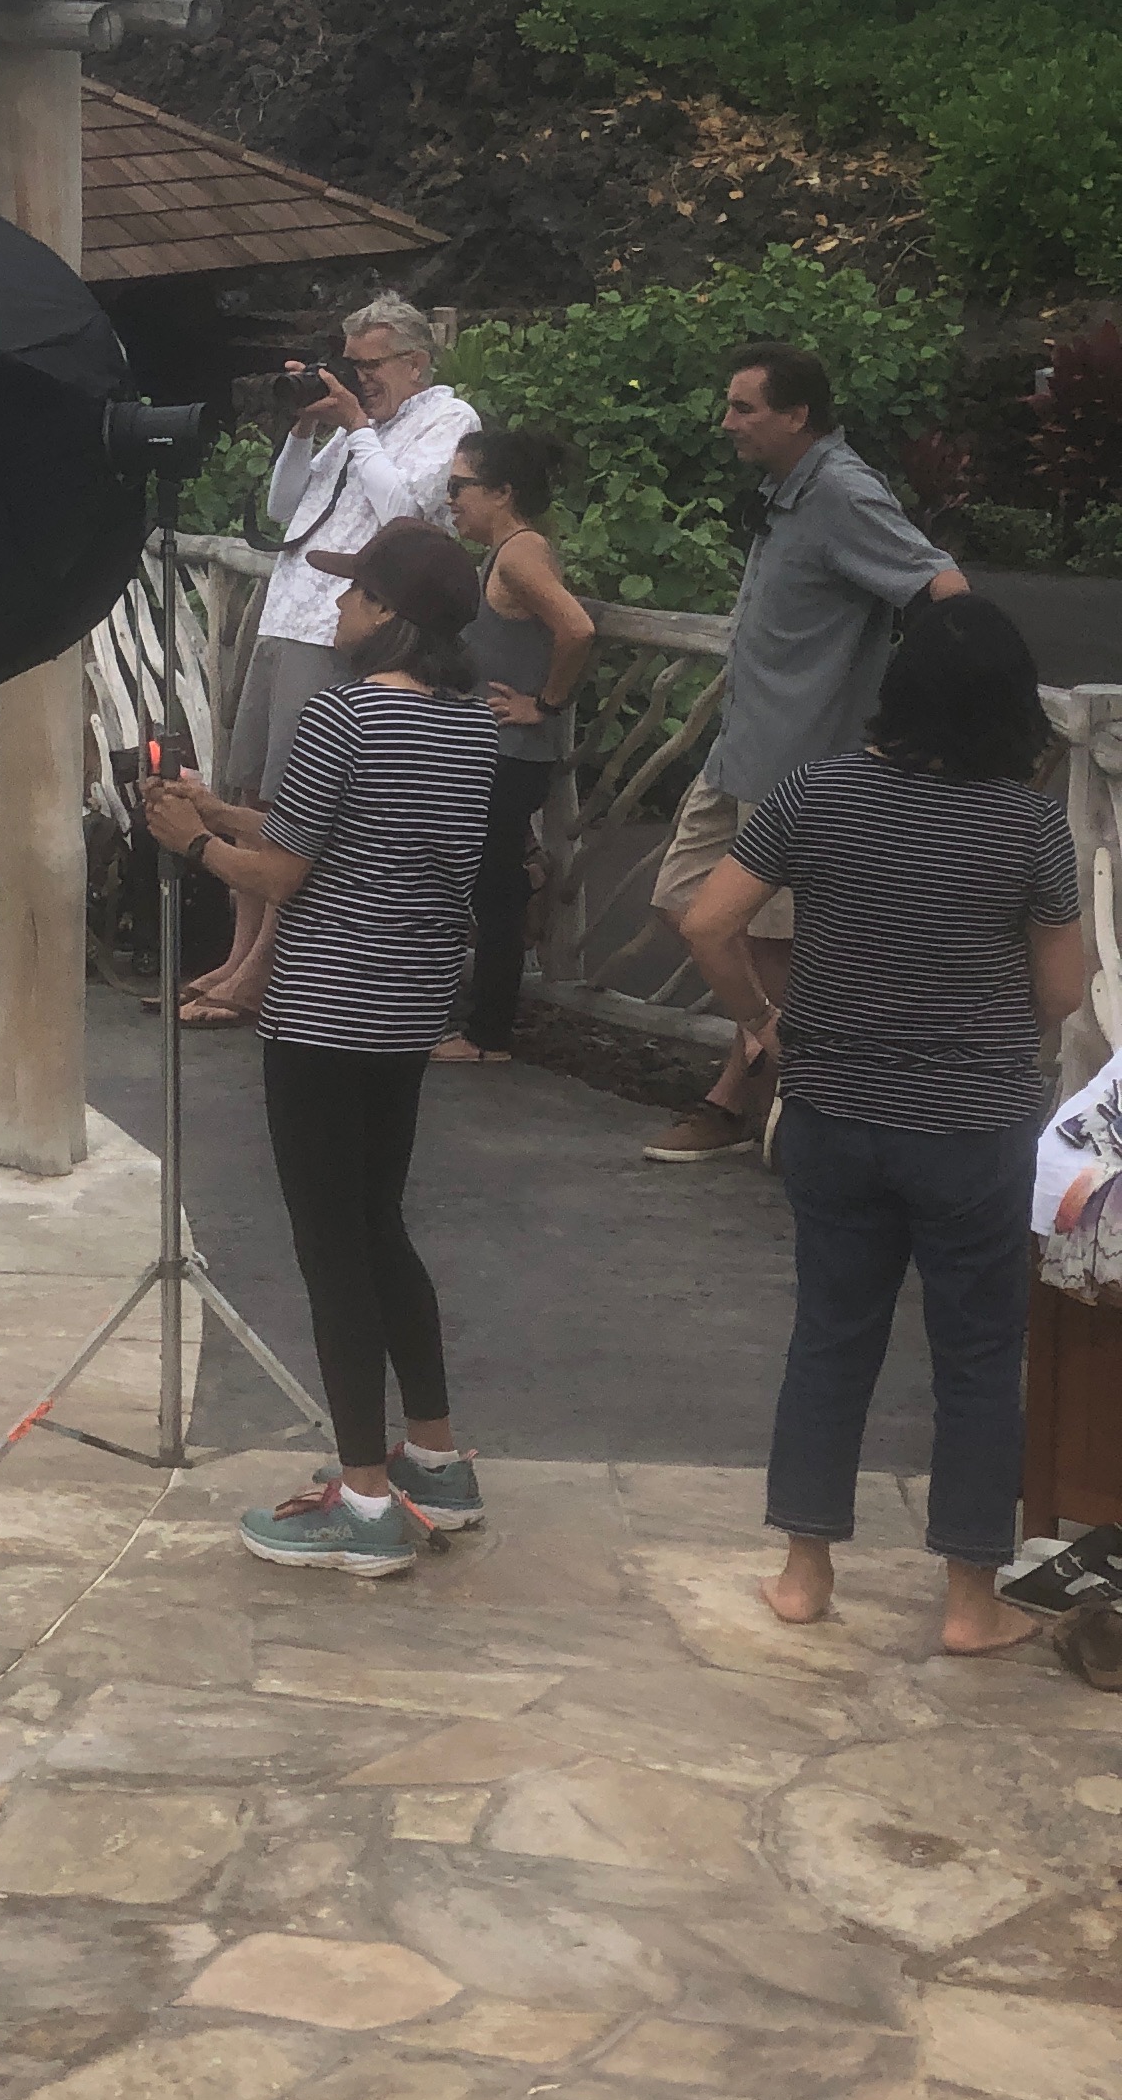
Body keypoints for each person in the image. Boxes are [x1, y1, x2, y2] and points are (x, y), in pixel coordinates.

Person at [680, 594, 1079, 1657]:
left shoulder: (817, 792)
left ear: (898, 692)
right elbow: (1061, 991)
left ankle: (804, 1574)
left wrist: (762, 1022)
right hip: (972, 1128)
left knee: (831, 1335)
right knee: (979, 1356)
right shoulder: (1030, 825)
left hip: (832, 1111)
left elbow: (708, 921)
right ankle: (969, 1601)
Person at [145, 518, 496, 1576]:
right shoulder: (469, 725)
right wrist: (224, 811)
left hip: (325, 1012)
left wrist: (193, 843)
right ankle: (435, 1459)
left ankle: (365, 1502)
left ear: (387, 613)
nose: (338, 606)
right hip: (407, 1008)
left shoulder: (341, 715)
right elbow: (338, 834)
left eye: (353, 592)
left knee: (329, 1245)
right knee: (380, 1225)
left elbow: (284, 877)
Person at [645, 344, 970, 1163]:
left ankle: (742, 1101)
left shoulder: (843, 491)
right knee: (682, 903)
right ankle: (791, 1057)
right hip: (742, 751)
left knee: (766, 941)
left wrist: (925, 711)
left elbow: (944, 588)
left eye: (743, 408)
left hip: (803, 767)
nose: (726, 423)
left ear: (796, 415)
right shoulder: (786, 488)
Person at [190, 293, 478, 1029]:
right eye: (350, 364)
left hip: (340, 631)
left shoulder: (448, 420)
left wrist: (356, 427)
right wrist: (302, 429)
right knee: (254, 794)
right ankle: (238, 955)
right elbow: (284, 509)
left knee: (295, 809)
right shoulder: (355, 430)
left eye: (371, 364)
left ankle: (264, 973)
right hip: (287, 616)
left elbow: (406, 516)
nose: (358, 378)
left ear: (416, 363)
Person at [436, 426, 595, 1065]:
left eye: (459, 487)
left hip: (512, 752)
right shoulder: (510, 550)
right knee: (492, 882)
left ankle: (488, 1035)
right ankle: (482, 1023)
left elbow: (577, 628)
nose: (450, 499)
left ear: (502, 492)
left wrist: (544, 705)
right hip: (499, 751)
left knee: (494, 890)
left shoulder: (519, 554)